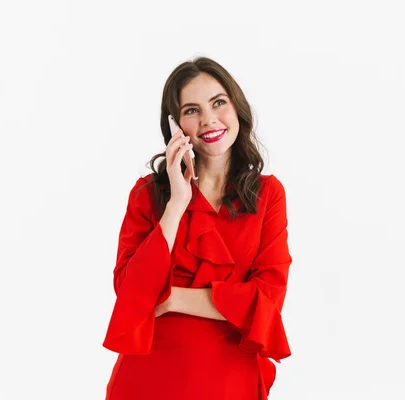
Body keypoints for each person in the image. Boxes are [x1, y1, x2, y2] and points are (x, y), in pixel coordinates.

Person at [102, 56, 293, 399]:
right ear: (176, 126)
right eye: (192, 110)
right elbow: (130, 292)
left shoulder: (268, 195)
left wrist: (171, 298)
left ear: (237, 108)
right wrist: (177, 202)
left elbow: (267, 302)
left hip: (231, 379)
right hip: (147, 379)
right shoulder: (149, 194)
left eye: (218, 102)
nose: (208, 119)